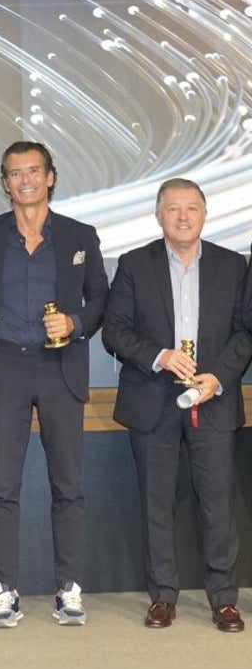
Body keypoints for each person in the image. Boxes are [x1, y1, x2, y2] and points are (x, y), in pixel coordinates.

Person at [0, 141, 108, 628]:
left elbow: (101, 299)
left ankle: (69, 587)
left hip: (60, 367)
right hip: (4, 366)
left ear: (50, 176)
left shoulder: (79, 234)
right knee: (2, 485)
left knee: (67, 484)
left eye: (33, 171)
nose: (24, 180)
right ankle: (4, 590)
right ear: (4, 182)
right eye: (14, 173)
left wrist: (75, 322)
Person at [102, 178, 249, 633]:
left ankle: (224, 599)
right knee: (157, 503)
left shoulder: (234, 266)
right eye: (173, 209)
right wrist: (160, 356)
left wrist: (218, 378)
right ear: (158, 216)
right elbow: (115, 331)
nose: (183, 217)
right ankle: (162, 597)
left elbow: (246, 332)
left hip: (213, 400)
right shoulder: (133, 264)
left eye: (192, 208)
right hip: (153, 402)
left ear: (205, 215)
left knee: (218, 505)